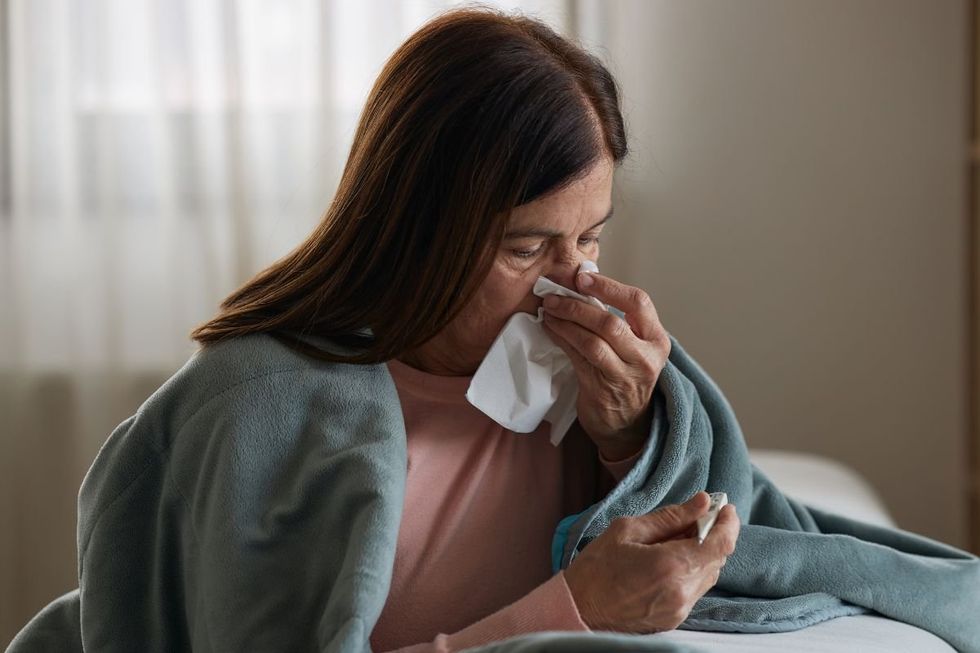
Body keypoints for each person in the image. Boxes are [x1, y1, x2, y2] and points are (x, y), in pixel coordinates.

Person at [8, 7, 739, 653]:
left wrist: (628, 439)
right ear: (420, 229)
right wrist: (574, 609)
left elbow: (745, 527)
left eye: (591, 240)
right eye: (526, 247)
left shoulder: (595, 386)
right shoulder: (256, 413)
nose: (573, 280)